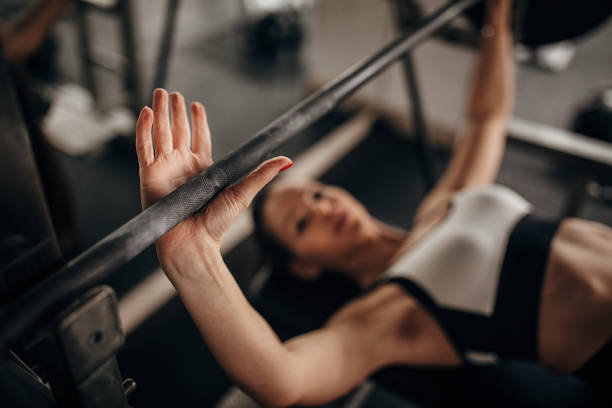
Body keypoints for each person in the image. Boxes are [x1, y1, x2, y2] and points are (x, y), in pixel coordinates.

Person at [136, 1, 611, 406]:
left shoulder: (443, 204)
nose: (322, 208)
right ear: (304, 267)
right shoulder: (388, 315)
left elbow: (486, 119)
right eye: (303, 224)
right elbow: (284, 380)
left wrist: (499, 19)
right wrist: (192, 257)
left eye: (318, 194)